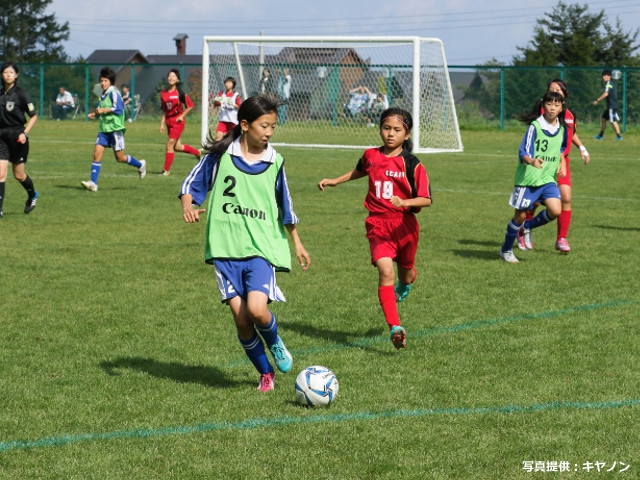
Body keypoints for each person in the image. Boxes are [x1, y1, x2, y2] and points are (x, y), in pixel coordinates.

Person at [179, 95, 310, 392]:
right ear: (245, 125)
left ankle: (275, 342)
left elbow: (285, 206)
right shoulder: (221, 155)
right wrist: (188, 205)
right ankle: (265, 373)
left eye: (273, 126)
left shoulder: (274, 161)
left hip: (261, 248)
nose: (269, 132)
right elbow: (191, 185)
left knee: (257, 309)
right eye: (264, 126)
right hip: (226, 249)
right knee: (242, 321)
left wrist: (297, 243)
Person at [317, 108, 432, 350]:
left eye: (397, 130)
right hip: (378, 224)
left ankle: (406, 282)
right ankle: (395, 328)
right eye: (386, 128)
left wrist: (405, 202)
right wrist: (335, 180)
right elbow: (361, 170)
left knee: (406, 274)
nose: (390, 134)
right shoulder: (371, 155)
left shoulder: (412, 163)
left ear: (407, 134)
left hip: (405, 226)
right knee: (385, 272)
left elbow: (426, 198)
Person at [518, 79, 590, 253]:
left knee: (566, 198)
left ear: (565, 95)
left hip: (562, 162)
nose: (555, 93)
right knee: (533, 203)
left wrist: (581, 147)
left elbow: (571, 134)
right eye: (551, 90)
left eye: (558, 90)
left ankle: (561, 239)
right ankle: (522, 230)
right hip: (543, 162)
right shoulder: (544, 113)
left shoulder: (570, 116)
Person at [499, 91, 567, 263]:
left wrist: (562, 162)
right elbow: (523, 151)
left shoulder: (562, 128)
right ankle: (505, 250)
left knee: (556, 210)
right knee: (520, 216)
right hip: (528, 179)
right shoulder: (535, 127)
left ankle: (527, 227)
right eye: (549, 104)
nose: (552, 108)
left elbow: (560, 148)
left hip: (548, 179)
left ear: (561, 108)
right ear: (543, 105)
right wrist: (531, 160)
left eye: (556, 105)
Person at [81, 67, 146, 192]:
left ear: (110, 81)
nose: (102, 83)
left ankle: (140, 164)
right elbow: (101, 109)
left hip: (115, 130)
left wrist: (103, 110)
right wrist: (94, 114)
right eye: (101, 80)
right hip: (103, 130)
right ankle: (93, 183)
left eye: (105, 80)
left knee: (120, 158)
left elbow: (118, 109)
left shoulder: (114, 93)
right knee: (96, 155)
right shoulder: (103, 94)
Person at [0, 62, 39, 218]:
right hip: (1, 136)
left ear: (16, 75)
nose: (8, 74)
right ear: (2, 75)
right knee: (1, 174)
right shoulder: (0, 94)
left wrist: (25, 133)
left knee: (19, 175)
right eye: (5, 72)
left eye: (11, 72)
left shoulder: (22, 94)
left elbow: (33, 116)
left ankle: (32, 195)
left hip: (17, 136)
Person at [158, 68, 201, 176]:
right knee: (177, 147)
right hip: (169, 122)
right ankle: (197, 152)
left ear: (177, 80)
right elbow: (164, 110)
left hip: (177, 122)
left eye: (173, 76)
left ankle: (166, 171)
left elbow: (190, 105)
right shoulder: (163, 93)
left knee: (169, 144)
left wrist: (182, 116)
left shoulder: (180, 93)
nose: (171, 78)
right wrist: (162, 124)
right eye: (169, 76)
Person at [593, 70, 623, 141]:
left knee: (613, 121)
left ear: (609, 77)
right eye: (603, 76)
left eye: (605, 76)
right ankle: (600, 136)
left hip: (612, 106)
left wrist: (597, 100)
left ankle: (619, 136)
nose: (603, 77)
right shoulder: (611, 83)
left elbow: (606, 93)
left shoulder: (609, 84)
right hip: (611, 106)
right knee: (603, 119)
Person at [213, 76, 241, 141]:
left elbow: (239, 106)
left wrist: (232, 103)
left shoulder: (236, 95)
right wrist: (217, 101)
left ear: (233, 84)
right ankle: (216, 151)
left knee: (232, 139)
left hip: (233, 121)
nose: (227, 84)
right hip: (223, 120)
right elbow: (216, 104)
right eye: (226, 82)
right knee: (218, 137)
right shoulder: (221, 93)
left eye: (229, 82)